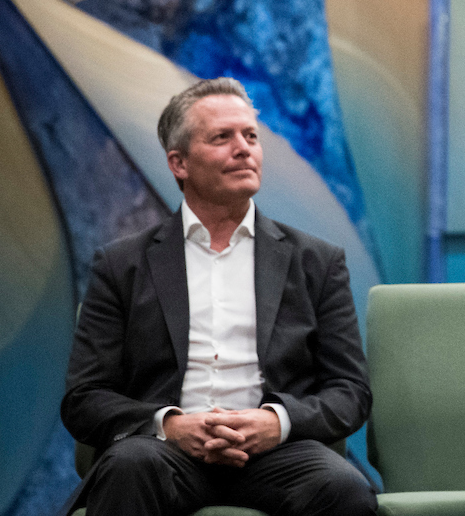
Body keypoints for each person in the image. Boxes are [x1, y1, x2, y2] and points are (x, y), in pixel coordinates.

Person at [60, 77, 377, 516]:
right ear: (179, 163)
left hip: (278, 455)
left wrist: (275, 423)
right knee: (129, 465)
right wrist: (169, 426)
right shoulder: (121, 265)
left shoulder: (317, 262)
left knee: (343, 487)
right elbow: (84, 398)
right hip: (163, 454)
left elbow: (350, 391)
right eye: (222, 137)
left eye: (251, 136)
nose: (243, 148)